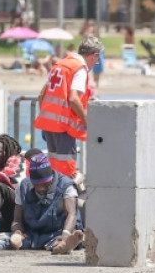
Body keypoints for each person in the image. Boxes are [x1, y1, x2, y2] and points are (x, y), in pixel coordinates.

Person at [34, 36, 103, 177]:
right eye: (97, 60)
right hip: (63, 127)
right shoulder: (79, 69)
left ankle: (54, 197)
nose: (95, 64)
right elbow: (73, 99)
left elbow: (42, 95)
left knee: (53, 169)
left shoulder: (60, 65)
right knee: (66, 172)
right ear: (94, 56)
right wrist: (88, 123)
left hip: (49, 126)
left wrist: (47, 121)